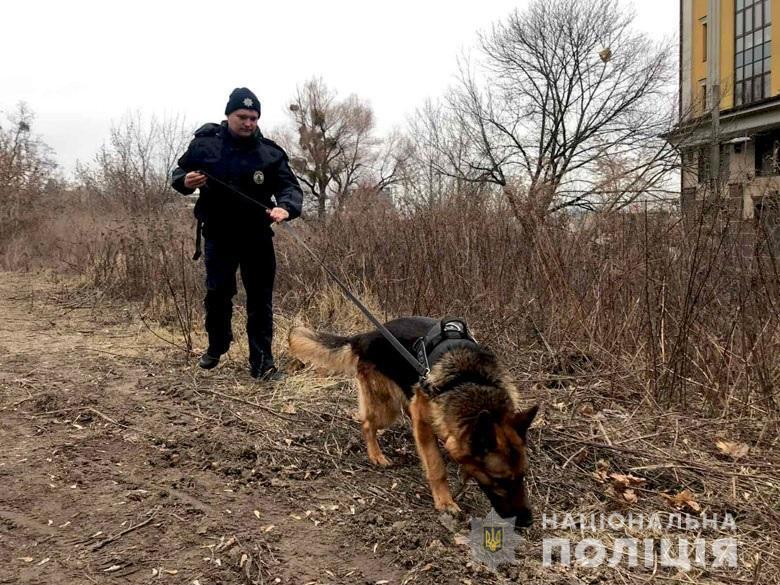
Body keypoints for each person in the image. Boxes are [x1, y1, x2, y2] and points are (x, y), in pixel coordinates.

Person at [171, 87, 303, 380]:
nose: (248, 123)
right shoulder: (205, 145)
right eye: (242, 117)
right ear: (229, 115)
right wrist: (186, 181)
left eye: (253, 118)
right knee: (218, 294)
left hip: (257, 236)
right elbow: (178, 174)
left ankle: (262, 363)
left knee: (260, 300)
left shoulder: (269, 153)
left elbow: (290, 187)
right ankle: (217, 345)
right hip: (218, 235)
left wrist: (285, 207)